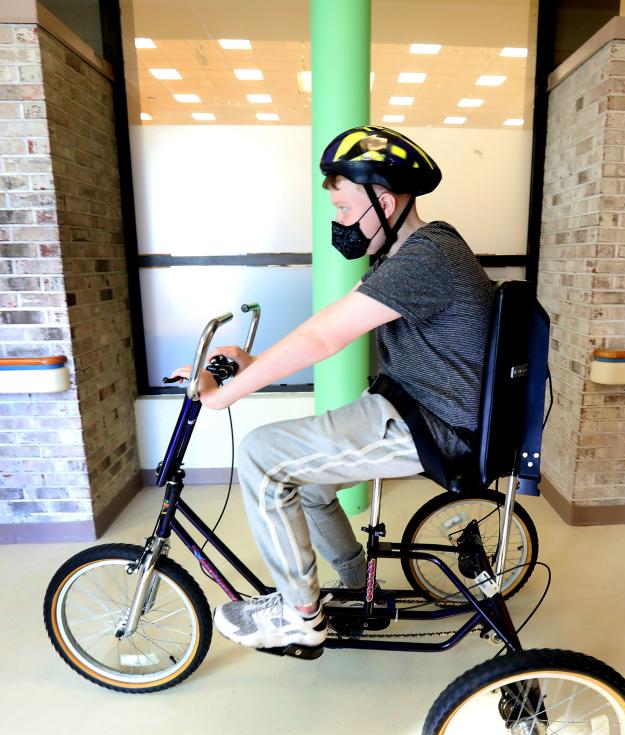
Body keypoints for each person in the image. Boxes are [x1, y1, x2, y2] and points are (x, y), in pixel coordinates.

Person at [172, 125, 494, 650]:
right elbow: (332, 321)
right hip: (412, 404)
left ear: (384, 202)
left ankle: (299, 613)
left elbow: (323, 338)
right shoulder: (407, 253)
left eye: (345, 209)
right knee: (313, 485)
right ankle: (352, 588)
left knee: (261, 455)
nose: (339, 222)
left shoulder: (426, 258)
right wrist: (252, 362)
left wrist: (225, 393)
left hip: (434, 425)